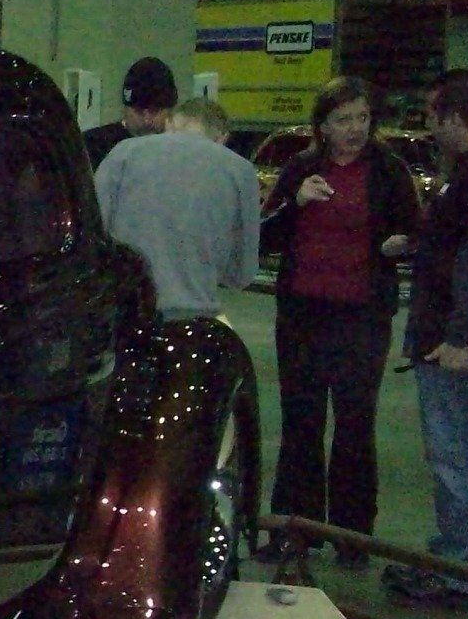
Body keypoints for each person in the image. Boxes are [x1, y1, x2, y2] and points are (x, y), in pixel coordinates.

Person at [257, 77, 421, 566]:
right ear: (323, 126)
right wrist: (296, 203)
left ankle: (354, 537)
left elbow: (414, 228)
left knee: (354, 423)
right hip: (304, 315)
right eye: (344, 120)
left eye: (363, 118)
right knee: (301, 422)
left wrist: (400, 244)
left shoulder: (388, 170)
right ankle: (295, 530)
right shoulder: (301, 168)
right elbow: (266, 237)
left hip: (361, 316)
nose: (355, 129)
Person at [382, 69, 468, 603]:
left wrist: (462, 337)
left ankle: (457, 570)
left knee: (456, 453)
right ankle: (455, 556)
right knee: (459, 450)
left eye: (431, 114)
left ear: (454, 117)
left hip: (456, 345)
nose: (428, 126)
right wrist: (417, 244)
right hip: (455, 336)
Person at [94, 96, 261, 321]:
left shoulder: (123, 153)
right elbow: (243, 273)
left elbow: (92, 232)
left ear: (170, 123)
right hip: (195, 318)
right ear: (222, 137)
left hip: (125, 311)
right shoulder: (240, 170)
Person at [84, 56, 177, 171]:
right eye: (139, 111)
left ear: (169, 111)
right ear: (126, 108)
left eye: (154, 111)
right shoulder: (93, 147)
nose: (147, 120)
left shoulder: (178, 153)